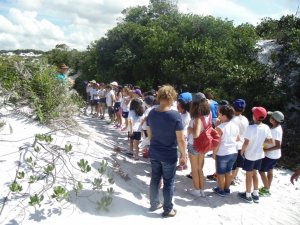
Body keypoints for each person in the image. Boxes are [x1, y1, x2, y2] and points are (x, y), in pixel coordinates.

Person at [147, 85, 187, 217]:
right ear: (172, 98)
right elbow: (181, 139)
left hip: (154, 151)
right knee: (169, 182)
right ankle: (168, 209)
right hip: (169, 154)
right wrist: (183, 155)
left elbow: (149, 134)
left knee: (155, 178)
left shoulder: (152, 112)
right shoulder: (175, 115)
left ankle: (154, 203)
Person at [238, 106, 272, 203]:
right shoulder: (266, 127)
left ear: (254, 116)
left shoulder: (250, 128)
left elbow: (246, 142)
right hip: (259, 155)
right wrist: (261, 144)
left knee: (249, 175)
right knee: (255, 173)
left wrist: (242, 151)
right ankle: (255, 194)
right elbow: (270, 141)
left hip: (250, 155)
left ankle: (248, 195)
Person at [187, 92, 211, 197]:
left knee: (194, 169)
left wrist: (189, 128)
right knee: (200, 169)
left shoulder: (197, 117)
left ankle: (197, 190)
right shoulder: (208, 114)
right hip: (203, 145)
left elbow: (196, 134)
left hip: (194, 144)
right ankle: (202, 190)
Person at [213, 105, 239, 197]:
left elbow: (217, 142)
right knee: (228, 171)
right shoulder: (235, 126)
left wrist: (214, 153)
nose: (218, 115)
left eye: (219, 114)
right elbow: (238, 138)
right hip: (234, 152)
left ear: (224, 116)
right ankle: (227, 188)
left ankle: (221, 190)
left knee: (220, 172)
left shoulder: (220, 128)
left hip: (223, 152)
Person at [259, 111, 284, 196]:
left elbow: (278, 146)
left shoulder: (276, 130)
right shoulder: (277, 128)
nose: (269, 118)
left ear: (274, 120)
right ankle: (267, 187)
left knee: (261, 171)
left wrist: (265, 150)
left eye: (271, 117)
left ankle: (266, 190)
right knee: (270, 170)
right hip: (275, 155)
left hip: (271, 155)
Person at [231, 99, 249, 185]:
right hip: (242, 145)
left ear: (233, 108)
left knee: (232, 165)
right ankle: (234, 178)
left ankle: (230, 180)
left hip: (234, 145)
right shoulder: (245, 119)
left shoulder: (232, 119)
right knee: (238, 164)